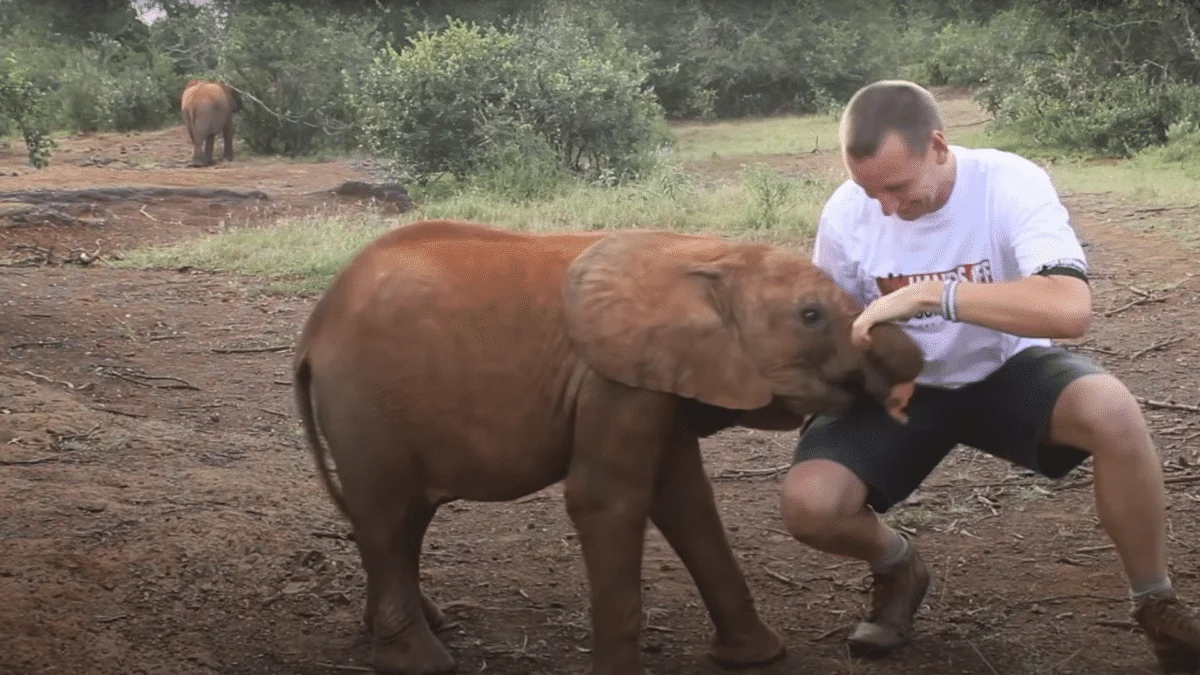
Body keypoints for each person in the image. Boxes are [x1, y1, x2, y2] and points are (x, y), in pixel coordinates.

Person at [780, 79, 1200, 672]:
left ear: (940, 146)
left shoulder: (1008, 182)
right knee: (811, 506)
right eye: (869, 191)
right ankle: (898, 565)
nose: (887, 209)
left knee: (1113, 412)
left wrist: (936, 296)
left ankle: (1156, 604)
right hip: (905, 386)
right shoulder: (849, 212)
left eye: (898, 187)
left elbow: (1068, 307)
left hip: (1006, 366)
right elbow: (833, 321)